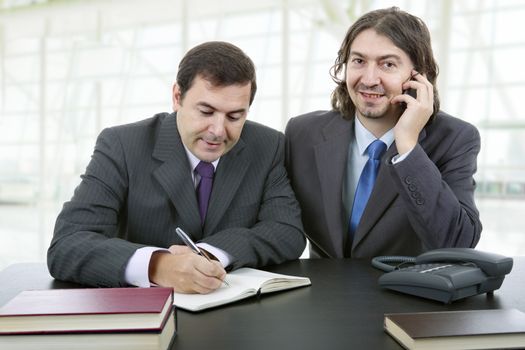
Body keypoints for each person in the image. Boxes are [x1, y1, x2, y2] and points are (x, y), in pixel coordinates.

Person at [48, 41, 306, 293]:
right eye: (206, 111)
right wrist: (160, 266)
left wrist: (208, 255)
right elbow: (68, 244)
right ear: (177, 97)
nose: (217, 131)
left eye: (234, 116)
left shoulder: (268, 145)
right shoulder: (122, 146)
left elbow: (287, 232)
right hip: (143, 318)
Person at [284, 7, 481, 258]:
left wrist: (408, 147)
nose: (369, 78)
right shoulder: (302, 133)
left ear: (420, 75)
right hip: (323, 292)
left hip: (405, 292)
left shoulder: (455, 139)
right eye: (358, 61)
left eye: (387, 64)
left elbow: (457, 242)